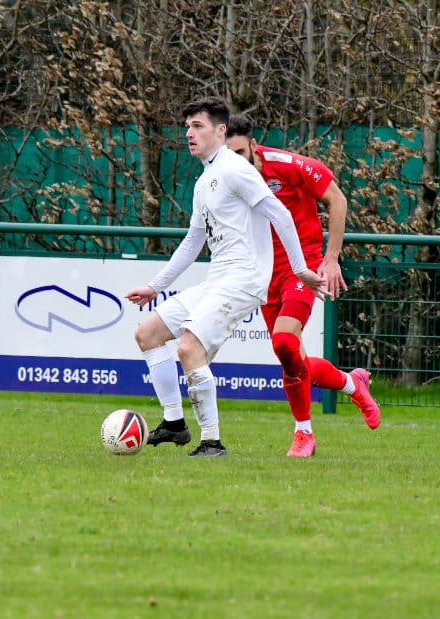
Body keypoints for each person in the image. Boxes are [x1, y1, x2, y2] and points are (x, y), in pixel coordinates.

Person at [125, 96, 326, 458]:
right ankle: (174, 423)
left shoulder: (234, 169)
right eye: (187, 127)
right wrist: (155, 287)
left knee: (188, 348)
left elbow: (280, 214)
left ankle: (212, 443)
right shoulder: (205, 180)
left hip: (243, 280)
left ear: (220, 131)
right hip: (218, 280)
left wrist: (300, 269)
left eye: (197, 126)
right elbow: (193, 241)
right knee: (148, 333)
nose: (189, 134)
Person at [225, 115, 379, 458]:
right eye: (227, 156)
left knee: (284, 342)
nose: (234, 162)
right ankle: (353, 383)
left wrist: (331, 258)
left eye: (239, 153)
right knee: (295, 361)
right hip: (263, 275)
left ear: (253, 146)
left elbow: (337, 200)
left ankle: (303, 434)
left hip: (302, 268)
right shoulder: (223, 179)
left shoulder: (288, 166)